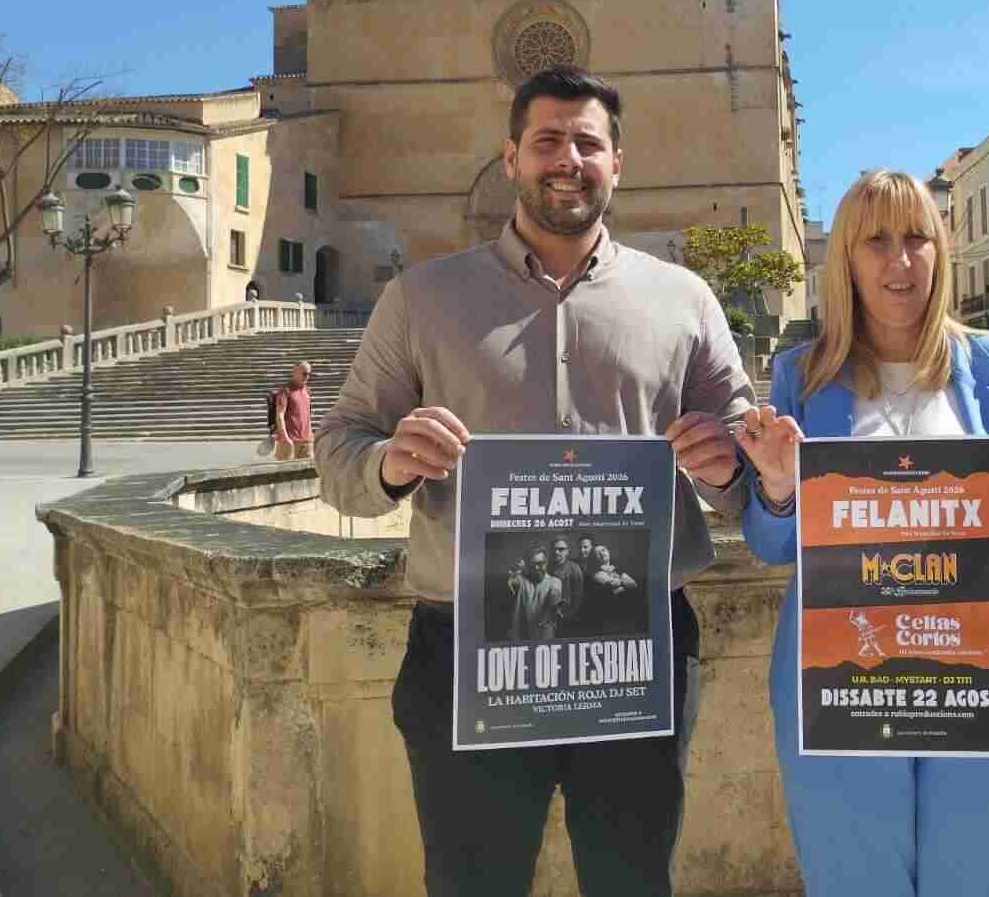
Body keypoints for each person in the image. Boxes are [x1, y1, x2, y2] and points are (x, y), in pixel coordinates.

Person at [314, 64, 754, 897]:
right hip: (462, 647)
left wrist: (730, 466)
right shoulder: (419, 298)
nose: (568, 158)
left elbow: (752, 468)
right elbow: (339, 449)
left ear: (617, 162)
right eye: (547, 140)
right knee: (472, 882)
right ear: (510, 157)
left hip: (639, 644)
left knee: (632, 881)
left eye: (588, 142)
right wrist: (389, 462)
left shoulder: (687, 300)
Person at [736, 170, 989, 897]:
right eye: (877, 242)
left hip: (981, 685)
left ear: (940, 251)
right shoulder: (800, 373)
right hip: (842, 689)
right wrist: (775, 486)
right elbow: (775, 546)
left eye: (916, 239)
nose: (900, 261)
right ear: (847, 262)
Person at [510, 547, 564, 640]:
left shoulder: (555, 582)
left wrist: (554, 606)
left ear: (546, 563)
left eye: (540, 563)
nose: (536, 568)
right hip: (523, 638)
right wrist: (516, 572)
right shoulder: (523, 582)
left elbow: (555, 594)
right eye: (533, 564)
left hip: (546, 640)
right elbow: (513, 580)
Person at [272, 362, 314, 460]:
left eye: (309, 374)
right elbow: (280, 415)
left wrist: (311, 435)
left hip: (306, 441)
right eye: (304, 374)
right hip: (288, 441)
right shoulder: (285, 391)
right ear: (294, 372)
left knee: (307, 473)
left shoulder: (307, 390)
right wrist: (285, 437)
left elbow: (307, 415)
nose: (307, 377)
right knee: (284, 473)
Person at [549, 535, 585, 630]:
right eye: (554, 549)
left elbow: (578, 598)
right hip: (549, 618)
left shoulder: (575, 569)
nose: (557, 552)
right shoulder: (547, 567)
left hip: (568, 620)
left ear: (568, 551)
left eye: (561, 549)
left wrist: (566, 615)